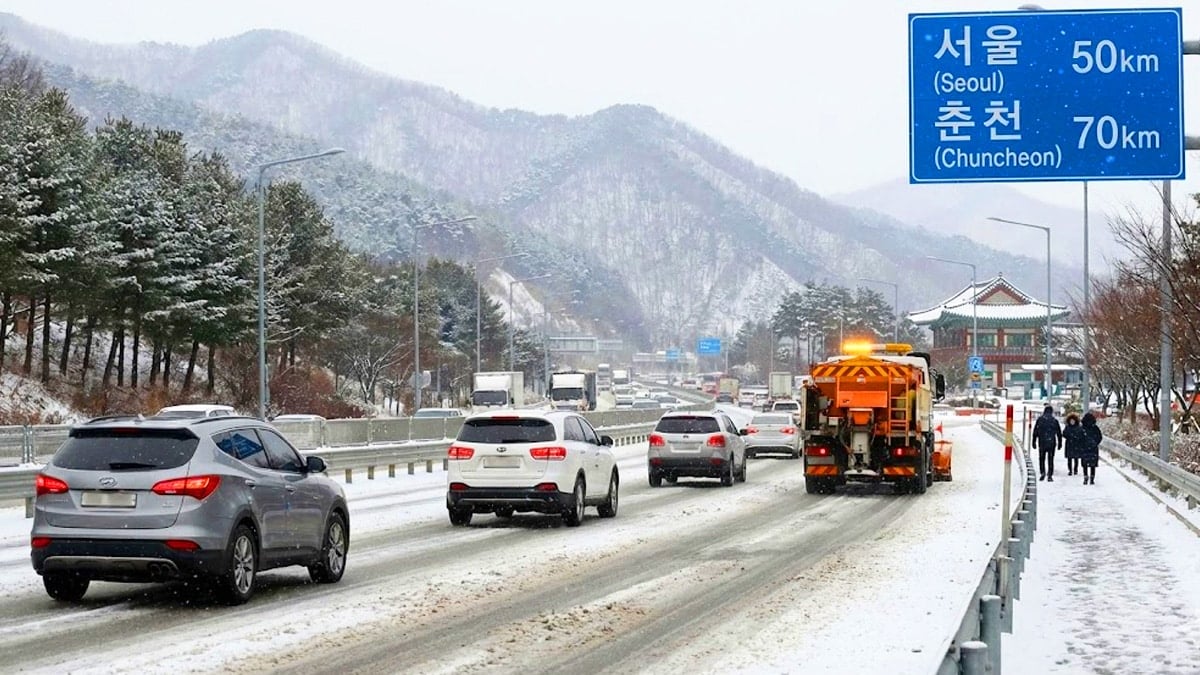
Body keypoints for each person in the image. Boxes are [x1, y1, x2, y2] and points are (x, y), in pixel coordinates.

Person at [1031, 404, 1062, 481]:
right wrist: (1060, 443)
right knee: (1050, 458)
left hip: (1042, 442)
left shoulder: (1040, 420)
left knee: (1042, 458)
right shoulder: (1054, 421)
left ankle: (1042, 472)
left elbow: (1035, 431)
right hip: (1051, 442)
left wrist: (1034, 441)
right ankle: (1050, 474)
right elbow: (1059, 433)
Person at [1080, 412, 1103, 485]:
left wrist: (1081, 445)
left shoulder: (1082, 428)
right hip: (1093, 448)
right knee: (1093, 464)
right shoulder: (1095, 428)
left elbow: (1079, 437)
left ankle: (1085, 477)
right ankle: (1092, 478)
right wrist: (1095, 443)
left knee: (1085, 464)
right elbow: (1100, 437)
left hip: (1084, 448)